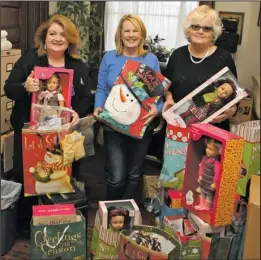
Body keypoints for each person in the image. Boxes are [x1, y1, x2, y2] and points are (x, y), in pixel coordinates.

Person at [4, 14, 93, 238]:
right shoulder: (30, 59)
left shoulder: (78, 66)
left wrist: (76, 113)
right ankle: (27, 225)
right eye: (52, 33)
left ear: (70, 40)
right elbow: (9, 87)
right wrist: (26, 85)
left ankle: (55, 220)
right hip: (30, 132)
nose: (57, 38)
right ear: (44, 38)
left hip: (63, 135)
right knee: (29, 175)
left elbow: (84, 98)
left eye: (63, 34)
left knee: (59, 177)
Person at [93, 14, 163, 202]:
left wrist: (158, 109)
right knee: (116, 177)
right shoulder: (109, 57)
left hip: (141, 125)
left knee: (134, 174)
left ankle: (126, 214)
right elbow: (101, 89)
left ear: (141, 35)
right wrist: (98, 107)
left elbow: (159, 93)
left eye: (135, 30)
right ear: (120, 34)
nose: (131, 34)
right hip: (113, 124)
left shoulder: (151, 59)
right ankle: (110, 213)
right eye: (127, 30)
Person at [163, 5, 238, 131]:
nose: (200, 31)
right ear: (189, 30)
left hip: (211, 129)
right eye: (195, 26)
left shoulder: (224, 58)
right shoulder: (177, 55)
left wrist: (231, 110)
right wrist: (169, 99)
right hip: (178, 125)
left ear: (213, 33)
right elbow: (167, 86)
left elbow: (235, 93)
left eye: (207, 28)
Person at [194, 138, 222, 211]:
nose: (207, 150)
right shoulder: (205, 159)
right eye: (207, 147)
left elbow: (217, 174)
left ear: (218, 152)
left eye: (210, 149)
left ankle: (207, 206)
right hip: (204, 181)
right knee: (202, 193)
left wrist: (215, 183)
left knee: (209, 195)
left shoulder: (216, 163)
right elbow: (201, 167)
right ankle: (201, 204)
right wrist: (200, 176)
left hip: (210, 183)